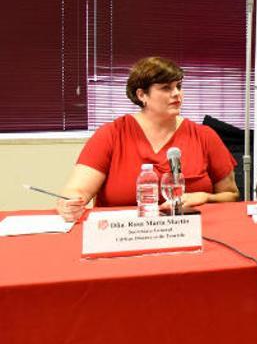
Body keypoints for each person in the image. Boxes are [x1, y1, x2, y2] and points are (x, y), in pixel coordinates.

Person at [57, 57, 239, 221]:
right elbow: (77, 190)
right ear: (141, 95)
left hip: (191, 231)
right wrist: (70, 204)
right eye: (166, 88)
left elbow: (231, 195)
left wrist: (205, 197)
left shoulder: (204, 136)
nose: (177, 93)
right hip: (125, 234)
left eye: (179, 86)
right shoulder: (112, 134)